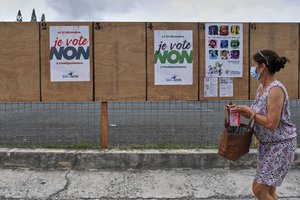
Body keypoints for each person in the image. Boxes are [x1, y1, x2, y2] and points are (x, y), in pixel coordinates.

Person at [229, 49, 297, 200]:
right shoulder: (262, 88)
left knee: (259, 189)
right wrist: (242, 111)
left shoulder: (275, 90)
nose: (252, 69)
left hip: (280, 146)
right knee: (269, 191)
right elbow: (259, 114)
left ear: (262, 67)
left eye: (254, 65)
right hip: (267, 145)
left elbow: (272, 123)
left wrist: (251, 113)